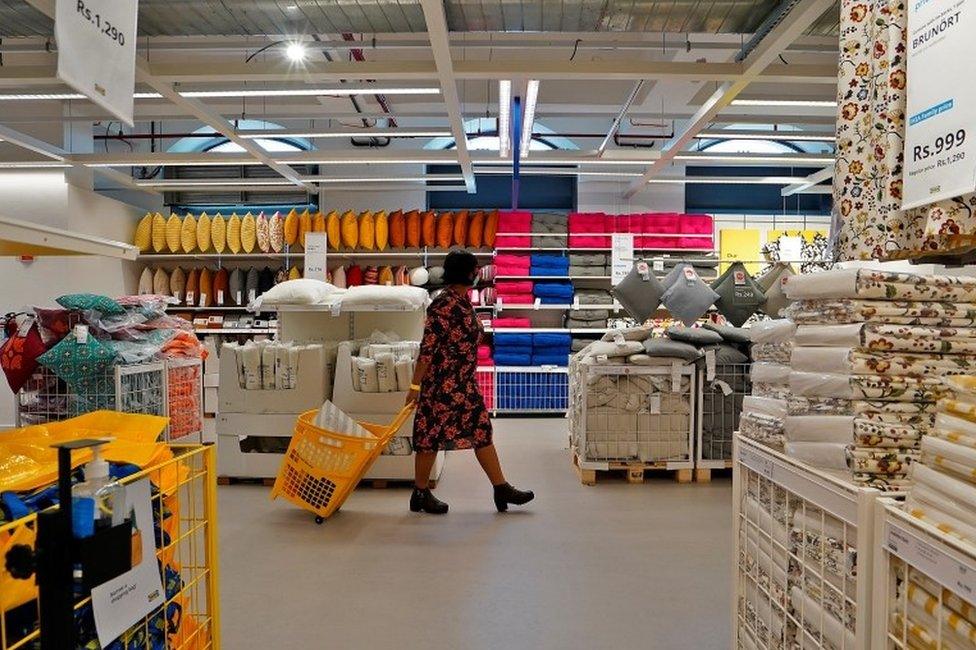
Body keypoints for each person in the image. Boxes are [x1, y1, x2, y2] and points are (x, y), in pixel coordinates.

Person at [405, 250, 534, 515]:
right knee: (430, 437)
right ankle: (420, 494)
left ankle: (501, 488)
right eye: (475, 269)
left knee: (481, 431)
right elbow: (427, 349)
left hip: (463, 384)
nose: (478, 273)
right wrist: (416, 387)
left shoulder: (463, 302)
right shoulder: (443, 305)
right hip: (441, 387)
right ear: (465, 272)